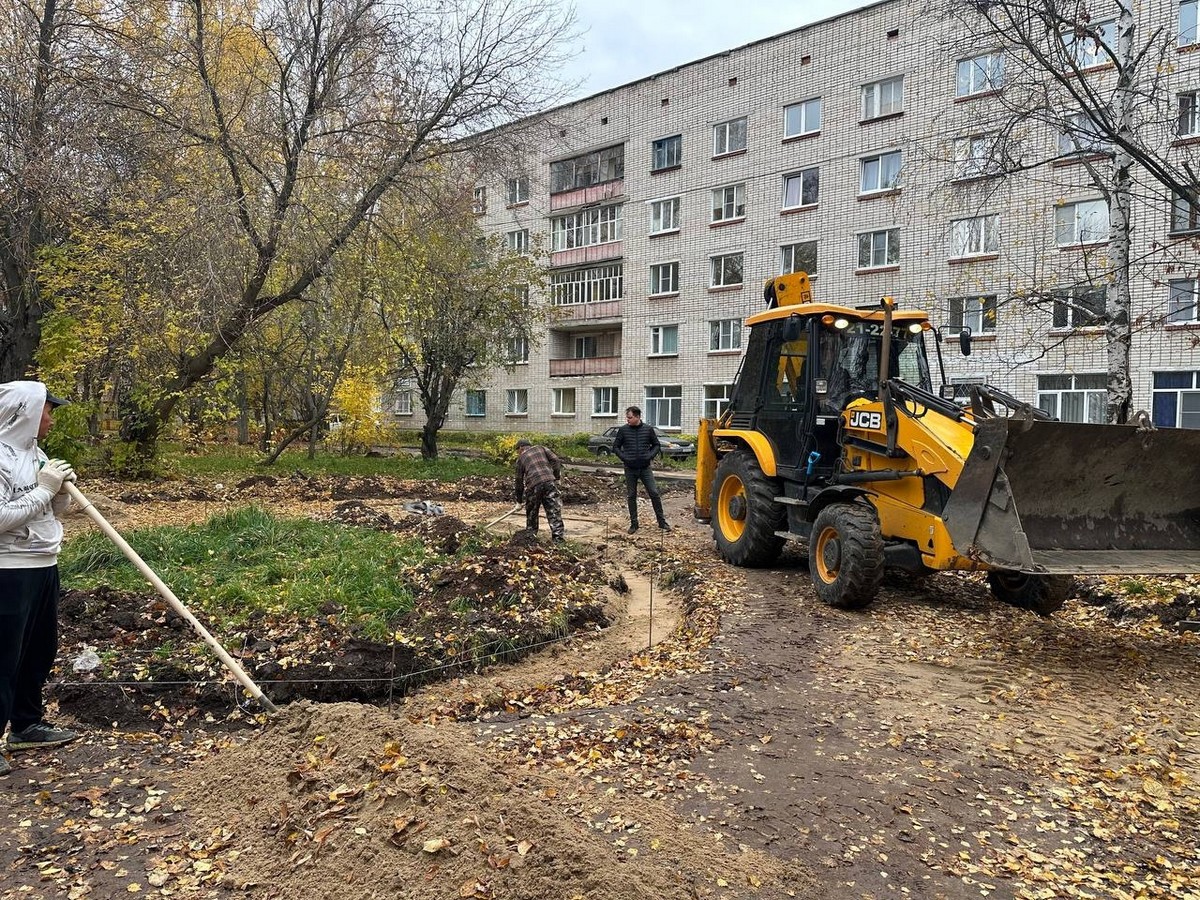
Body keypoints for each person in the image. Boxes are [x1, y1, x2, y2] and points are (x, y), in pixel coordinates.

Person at [0, 381, 79, 777]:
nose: (50, 418)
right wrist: (44, 489)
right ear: (25, 412)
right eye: (47, 410)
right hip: (7, 569)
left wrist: (60, 495)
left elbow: (44, 511)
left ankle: (26, 724)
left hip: (43, 562)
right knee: (3, 658)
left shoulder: (36, 454)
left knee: (39, 649)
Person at [611, 406, 670, 534]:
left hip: (645, 468)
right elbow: (615, 447)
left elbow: (656, 445)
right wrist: (625, 458)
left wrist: (649, 456)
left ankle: (662, 522)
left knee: (654, 493)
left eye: (630, 417)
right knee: (631, 495)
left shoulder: (648, 430)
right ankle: (634, 524)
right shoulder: (623, 430)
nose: (627, 419)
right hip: (630, 468)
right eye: (627, 417)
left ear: (637, 417)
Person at [513, 438, 565, 542]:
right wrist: (557, 477)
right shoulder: (541, 448)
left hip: (533, 486)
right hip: (549, 482)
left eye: (517, 451)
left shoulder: (521, 459)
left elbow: (519, 482)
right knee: (553, 511)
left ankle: (531, 538)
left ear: (520, 449)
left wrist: (519, 501)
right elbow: (556, 460)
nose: (518, 453)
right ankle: (558, 540)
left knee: (532, 513)